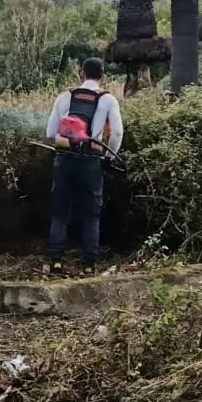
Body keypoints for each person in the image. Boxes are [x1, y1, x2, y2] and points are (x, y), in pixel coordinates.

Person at [45, 57, 124, 274]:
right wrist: (110, 157)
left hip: (64, 158)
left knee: (60, 213)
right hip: (92, 162)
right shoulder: (108, 100)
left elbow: (50, 133)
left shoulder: (65, 96)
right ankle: (89, 265)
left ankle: (56, 263)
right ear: (103, 77)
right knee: (91, 215)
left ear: (81, 74)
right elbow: (117, 133)